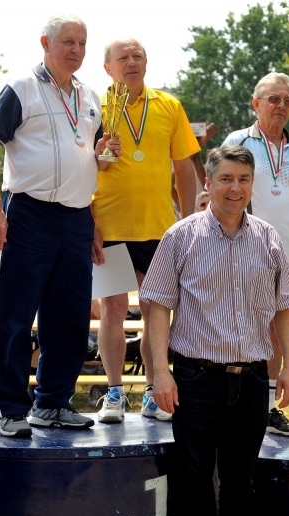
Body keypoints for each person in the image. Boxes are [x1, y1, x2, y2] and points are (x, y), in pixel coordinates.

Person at [0, 15, 119, 438]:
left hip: (76, 219)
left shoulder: (91, 95)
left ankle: (54, 403)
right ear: (45, 42)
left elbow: (87, 159)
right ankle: (10, 409)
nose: (75, 50)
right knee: (17, 316)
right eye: (67, 42)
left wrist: (91, 218)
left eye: (82, 43)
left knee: (72, 318)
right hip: (29, 214)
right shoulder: (21, 88)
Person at [144, 145, 289, 516]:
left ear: (252, 185)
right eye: (226, 179)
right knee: (194, 482)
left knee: (241, 482)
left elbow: (285, 308)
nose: (235, 188)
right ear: (209, 183)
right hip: (196, 379)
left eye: (243, 179)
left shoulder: (268, 238)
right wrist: (159, 373)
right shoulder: (180, 237)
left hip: (252, 380)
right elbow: (158, 307)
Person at [92, 37, 199, 424]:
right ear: (108, 67)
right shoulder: (92, 106)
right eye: (122, 57)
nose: (131, 62)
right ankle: (115, 393)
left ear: (146, 62)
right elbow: (88, 169)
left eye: (138, 56)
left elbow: (185, 168)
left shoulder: (168, 105)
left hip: (160, 230)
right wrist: (103, 154)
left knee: (157, 311)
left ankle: (155, 392)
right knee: (113, 309)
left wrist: (191, 223)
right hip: (109, 226)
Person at [221, 72, 289, 438]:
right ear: (256, 103)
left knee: (276, 335)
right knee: (240, 330)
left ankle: (264, 410)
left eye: (287, 101)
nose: (281, 106)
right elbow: (221, 194)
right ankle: (233, 408)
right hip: (241, 253)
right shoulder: (237, 141)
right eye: (273, 99)